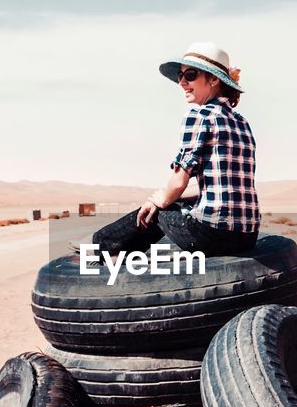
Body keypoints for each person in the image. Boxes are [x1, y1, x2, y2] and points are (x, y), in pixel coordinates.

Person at [92, 42, 260, 257]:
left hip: (213, 235)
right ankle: (115, 248)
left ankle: (101, 245)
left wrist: (159, 200)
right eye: (180, 76)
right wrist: (170, 197)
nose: (182, 82)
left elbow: (179, 182)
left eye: (190, 75)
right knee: (174, 201)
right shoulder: (241, 122)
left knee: (159, 210)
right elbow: (221, 185)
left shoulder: (199, 115)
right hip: (247, 236)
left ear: (214, 79)